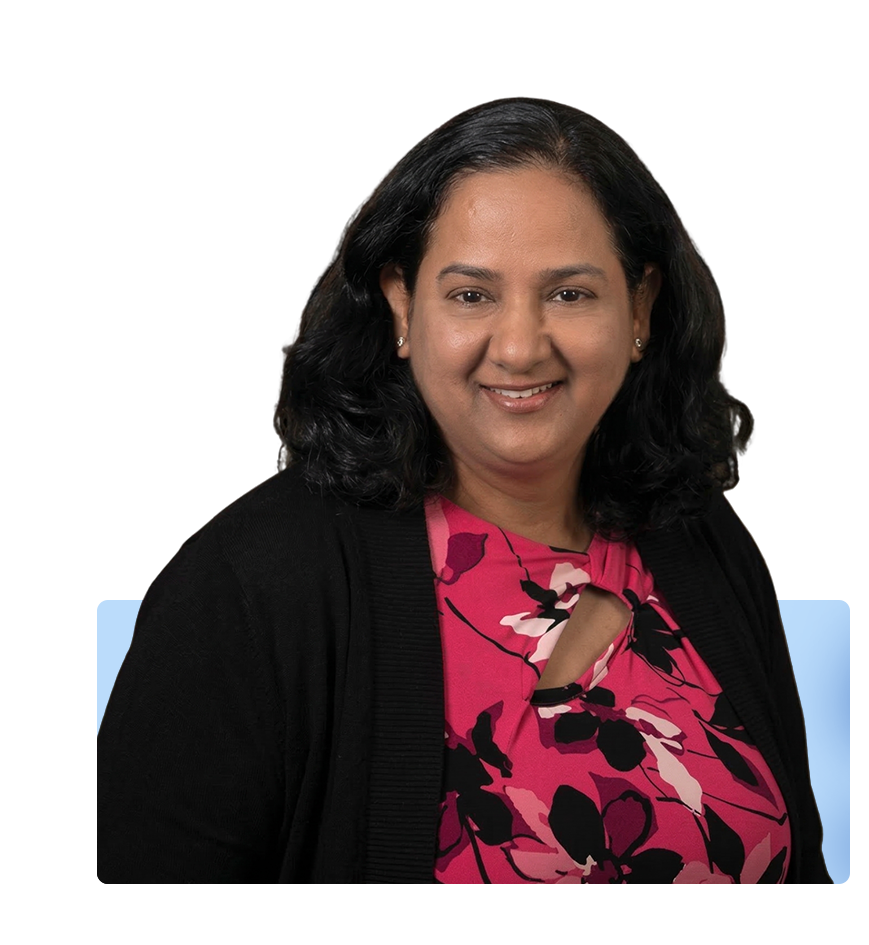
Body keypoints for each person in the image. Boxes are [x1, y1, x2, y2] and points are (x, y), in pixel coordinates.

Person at [97, 96, 832, 883]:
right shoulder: (250, 585)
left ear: (639, 308)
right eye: (471, 294)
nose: (518, 347)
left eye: (569, 293)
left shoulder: (699, 537)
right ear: (400, 305)